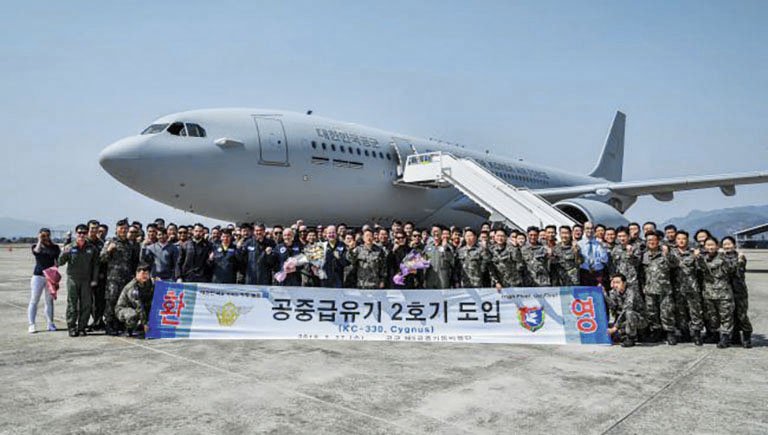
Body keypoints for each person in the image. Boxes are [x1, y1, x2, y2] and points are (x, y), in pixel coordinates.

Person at [59, 224, 100, 337]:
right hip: (73, 279)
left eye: (84, 233)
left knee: (86, 304)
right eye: (79, 233)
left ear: (87, 234)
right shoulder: (70, 247)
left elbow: (96, 265)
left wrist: (94, 279)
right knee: (72, 304)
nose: (82, 235)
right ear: (76, 233)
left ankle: (82, 327)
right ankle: (72, 327)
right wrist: (64, 253)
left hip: (86, 280)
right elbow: (60, 262)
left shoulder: (92, 248)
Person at [101, 219, 140, 336]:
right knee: (111, 302)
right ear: (117, 230)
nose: (123, 230)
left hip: (127, 279)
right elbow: (102, 259)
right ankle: (109, 325)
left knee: (124, 302)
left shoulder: (130, 245)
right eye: (121, 228)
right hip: (113, 279)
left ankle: (121, 325)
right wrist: (108, 251)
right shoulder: (110, 242)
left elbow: (134, 262)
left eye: (125, 229)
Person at [696, 237, 736, 349]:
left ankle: (726, 337)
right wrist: (697, 257)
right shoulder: (702, 258)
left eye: (712, 245)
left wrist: (725, 258)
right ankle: (716, 335)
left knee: (726, 316)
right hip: (708, 293)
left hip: (723, 293)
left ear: (717, 246)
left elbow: (731, 269)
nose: (710, 247)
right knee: (713, 317)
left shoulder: (724, 257)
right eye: (707, 245)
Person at [641, 232, 678, 345]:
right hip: (649, 289)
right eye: (648, 240)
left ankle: (670, 333)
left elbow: (674, 264)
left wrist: (667, 254)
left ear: (658, 241)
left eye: (653, 240)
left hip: (664, 289)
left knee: (667, 312)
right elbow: (641, 273)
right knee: (652, 312)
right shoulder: (644, 255)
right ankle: (656, 332)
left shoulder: (665, 254)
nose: (651, 242)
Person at [670, 231, 705, 345]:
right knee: (681, 312)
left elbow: (701, 268)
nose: (681, 241)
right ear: (675, 240)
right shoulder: (671, 253)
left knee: (695, 312)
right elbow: (673, 265)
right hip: (677, 288)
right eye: (679, 238)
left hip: (692, 287)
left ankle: (697, 334)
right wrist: (692, 258)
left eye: (683, 238)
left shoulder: (693, 252)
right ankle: (684, 333)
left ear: (687, 240)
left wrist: (697, 257)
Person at [28, 228, 60, 333]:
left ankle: (50, 323)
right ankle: (31, 324)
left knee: (49, 301)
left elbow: (57, 261)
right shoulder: (36, 246)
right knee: (34, 300)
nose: (45, 237)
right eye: (43, 235)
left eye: (47, 235)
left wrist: (55, 277)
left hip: (50, 276)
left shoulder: (55, 247)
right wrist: (40, 241)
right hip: (38, 276)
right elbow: (36, 252)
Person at [721, 236, 752, 348]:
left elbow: (737, 271)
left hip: (739, 291)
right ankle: (733, 337)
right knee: (728, 315)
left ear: (734, 245)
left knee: (742, 315)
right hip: (726, 291)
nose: (727, 246)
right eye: (725, 244)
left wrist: (739, 259)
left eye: (729, 244)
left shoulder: (741, 257)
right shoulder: (721, 257)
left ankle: (747, 337)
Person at [606, 273, 647, 347]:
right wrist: (605, 294)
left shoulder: (632, 291)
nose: (616, 285)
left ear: (624, 283)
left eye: (618, 282)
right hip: (624, 319)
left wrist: (614, 328)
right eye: (614, 282)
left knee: (629, 313)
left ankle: (631, 338)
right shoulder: (614, 292)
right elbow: (613, 306)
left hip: (640, 319)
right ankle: (624, 334)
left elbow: (626, 309)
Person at [116, 264, 154, 338]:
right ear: (137, 273)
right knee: (133, 315)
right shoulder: (132, 287)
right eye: (142, 273)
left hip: (140, 307)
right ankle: (128, 329)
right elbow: (138, 306)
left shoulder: (148, 283)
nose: (145, 276)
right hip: (124, 309)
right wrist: (145, 324)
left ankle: (140, 327)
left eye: (147, 274)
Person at [577, 221, 609, 288]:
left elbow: (605, 260)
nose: (590, 230)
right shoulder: (578, 244)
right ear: (584, 230)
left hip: (598, 272)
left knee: (598, 295)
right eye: (587, 228)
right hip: (584, 272)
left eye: (591, 228)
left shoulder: (599, 243)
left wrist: (603, 247)